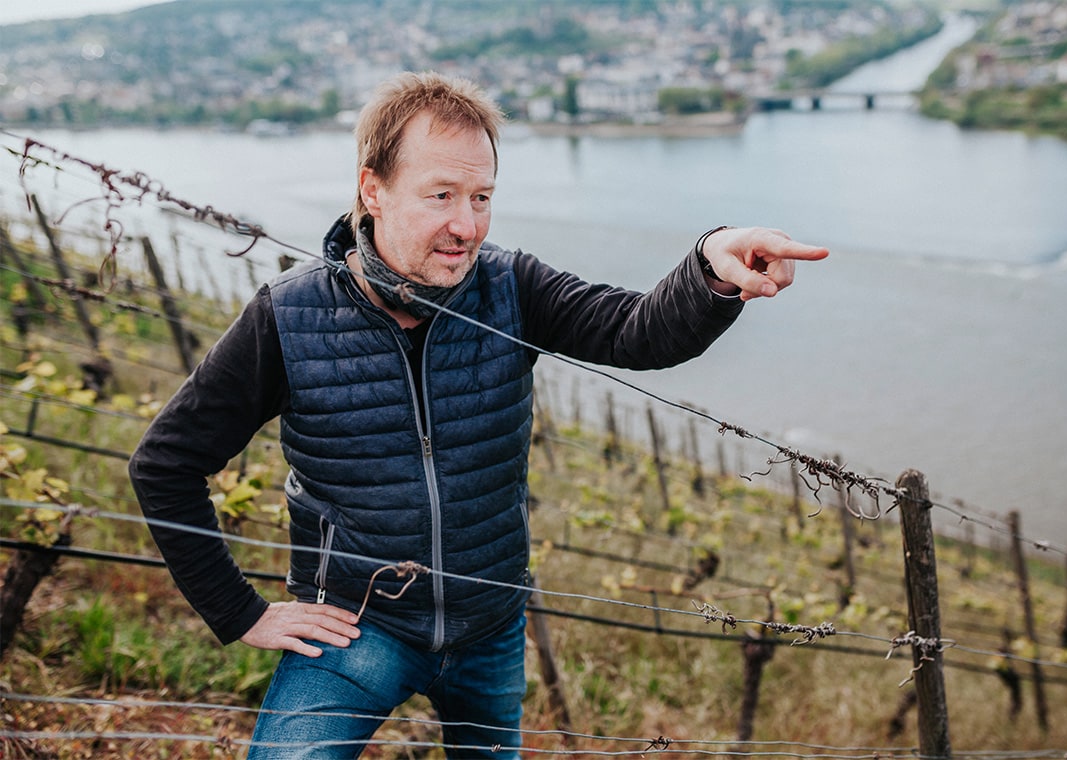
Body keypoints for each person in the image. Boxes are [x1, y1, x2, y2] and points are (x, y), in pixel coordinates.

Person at [128, 71, 828, 759]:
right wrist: (240, 612)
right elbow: (166, 464)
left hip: (490, 628)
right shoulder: (287, 316)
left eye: (482, 197)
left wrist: (708, 265)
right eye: (440, 195)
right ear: (373, 189)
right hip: (353, 630)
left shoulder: (510, 285)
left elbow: (635, 331)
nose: (467, 225)